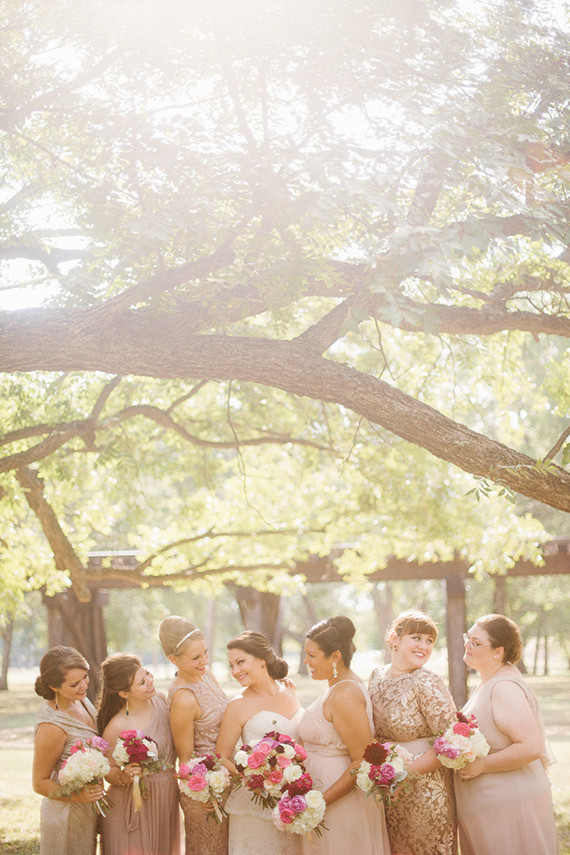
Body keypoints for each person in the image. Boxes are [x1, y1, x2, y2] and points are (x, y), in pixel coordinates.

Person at [454, 613, 559, 855]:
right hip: (494, 805)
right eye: (467, 638)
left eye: (476, 643)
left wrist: (482, 766)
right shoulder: (491, 680)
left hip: (512, 805)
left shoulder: (503, 688)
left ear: (498, 652)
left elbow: (531, 747)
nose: (467, 646)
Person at [298, 616, 391, 855]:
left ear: (335, 657)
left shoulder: (345, 694)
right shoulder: (336, 688)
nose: (306, 661)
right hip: (323, 793)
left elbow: (362, 761)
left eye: (312, 655)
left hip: (338, 800)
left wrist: (319, 803)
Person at [368, 610, 458, 855]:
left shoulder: (427, 682)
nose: (424, 646)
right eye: (417, 638)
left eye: (429, 641)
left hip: (426, 790)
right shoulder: (376, 677)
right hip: (388, 789)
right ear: (394, 639)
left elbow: (452, 741)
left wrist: (404, 775)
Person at [215, 630, 303, 855]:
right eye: (231, 665)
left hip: (292, 801)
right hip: (255, 806)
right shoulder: (238, 705)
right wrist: (257, 779)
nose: (235, 671)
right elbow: (221, 757)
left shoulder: (289, 690)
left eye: (240, 662)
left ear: (261, 659)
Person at [97, 653, 180, 855]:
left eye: (148, 674)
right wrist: (125, 776)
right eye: (142, 682)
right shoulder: (117, 725)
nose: (150, 682)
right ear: (124, 693)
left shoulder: (161, 700)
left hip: (166, 796)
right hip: (131, 804)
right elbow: (108, 771)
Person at [160, 615, 229, 855]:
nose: (204, 661)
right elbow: (185, 760)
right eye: (196, 657)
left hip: (227, 780)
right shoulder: (184, 699)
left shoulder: (206, 674)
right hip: (205, 793)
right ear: (173, 660)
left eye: (206, 653)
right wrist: (203, 793)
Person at [32, 645, 104, 855]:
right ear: (54, 687)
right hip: (65, 813)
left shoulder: (80, 700)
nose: (84, 685)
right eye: (74, 683)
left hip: (87, 807)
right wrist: (77, 796)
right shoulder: (52, 726)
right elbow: (39, 783)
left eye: (85, 677)